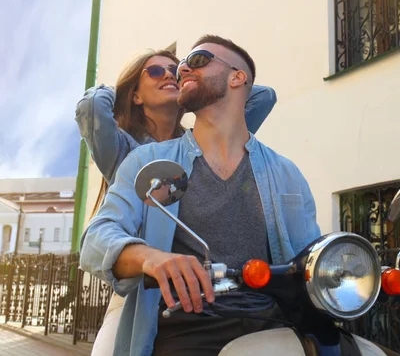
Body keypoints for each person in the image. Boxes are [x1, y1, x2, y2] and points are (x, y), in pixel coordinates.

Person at [80, 35, 400, 356]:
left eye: (198, 60)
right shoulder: (147, 160)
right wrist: (150, 257)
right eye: (180, 65)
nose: (182, 68)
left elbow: (312, 258)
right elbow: (98, 237)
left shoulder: (285, 172)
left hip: (279, 321)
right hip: (188, 327)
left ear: (236, 78)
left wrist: (375, 272)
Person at [75, 49, 277, 355]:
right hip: (143, 293)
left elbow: (262, 95)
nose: (169, 74)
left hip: (214, 294)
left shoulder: (200, 145)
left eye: (174, 70)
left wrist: (195, 77)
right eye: (155, 72)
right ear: (136, 96)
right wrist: (123, 89)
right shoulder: (122, 149)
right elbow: (90, 106)